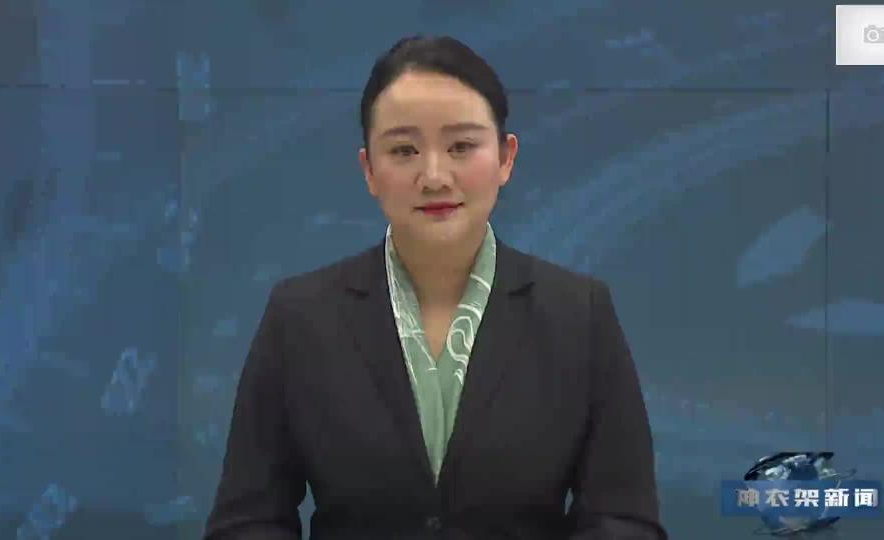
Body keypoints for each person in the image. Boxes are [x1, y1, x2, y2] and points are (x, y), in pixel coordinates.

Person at [202, 35, 668, 540]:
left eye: (461, 147)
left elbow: (623, 521)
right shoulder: (300, 317)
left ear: (506, 158)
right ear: (369, 169)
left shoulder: (578, 313)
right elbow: (247, 522)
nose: (434, 176)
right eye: (404, 150)